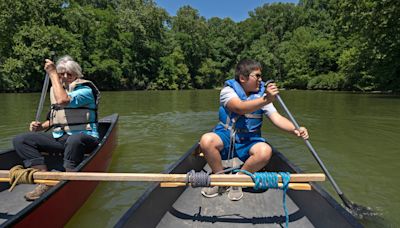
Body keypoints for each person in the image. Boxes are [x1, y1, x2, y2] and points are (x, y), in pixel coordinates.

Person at [199, 59, 309, 201]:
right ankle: (221, 180)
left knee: (265, 151)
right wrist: (266, 99)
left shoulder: (262, 96)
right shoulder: (228, 91)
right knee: (206, 140)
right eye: (256, 76)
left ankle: (238, 180)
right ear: (243, 78)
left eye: (260, 76)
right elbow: (239, 107)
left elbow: (276, 118)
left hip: (250, 141)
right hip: (227, 137)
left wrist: (295, 129)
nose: (260, 79)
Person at [12, 55, 101, 201]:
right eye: (61, 74)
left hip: (85, 138)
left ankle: (69, 179)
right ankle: (45, 180)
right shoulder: (57, 90)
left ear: (77, 75)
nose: (65, 77)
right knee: (21, 140)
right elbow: (54, 119)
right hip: (61, 137)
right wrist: (40, 126)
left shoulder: (85, 90)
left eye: (69, 74)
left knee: (75, 139)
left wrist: (52, 73)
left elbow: (63, 100)